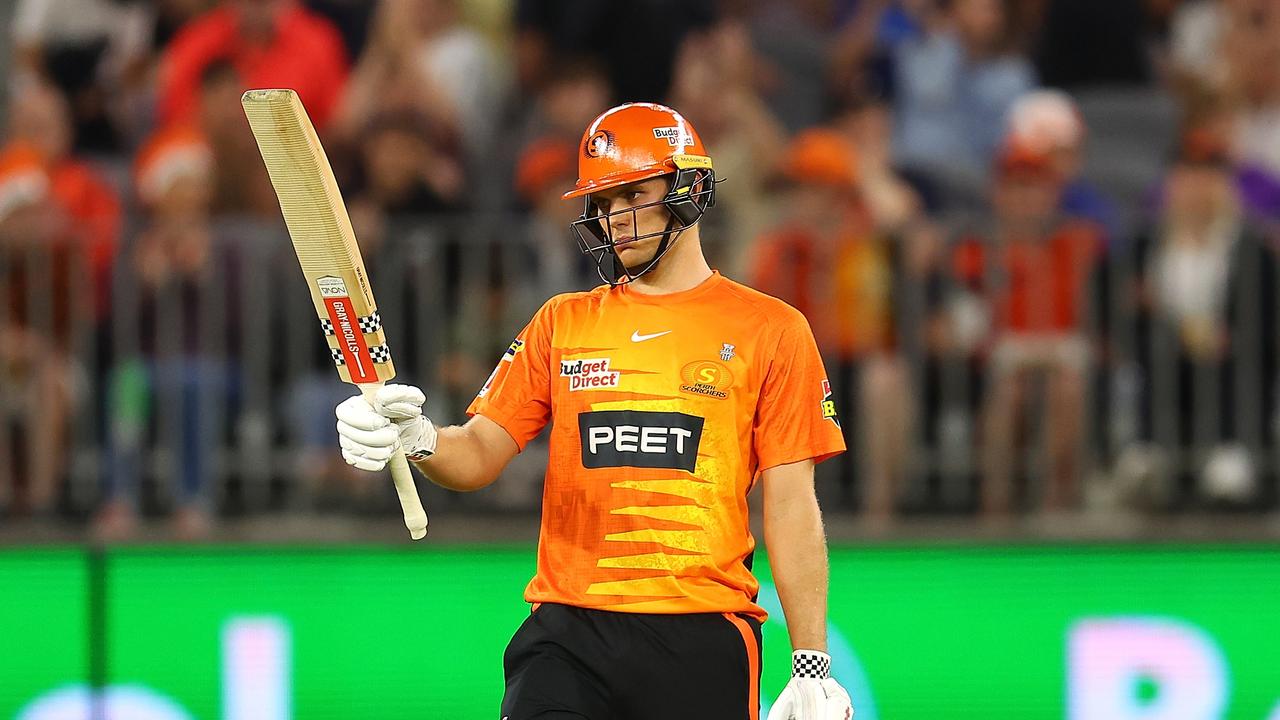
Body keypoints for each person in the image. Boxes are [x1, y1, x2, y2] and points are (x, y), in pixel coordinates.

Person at [335, 103, 854, 719]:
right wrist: (418, 436)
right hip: (567, 631)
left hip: (703, 632)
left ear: (688, 189)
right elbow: (478, 454)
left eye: (632, 193)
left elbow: (792, 502)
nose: (614, 219)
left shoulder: (773, 329)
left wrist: (812, 664)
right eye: (603, 203)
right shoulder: (562, 322)